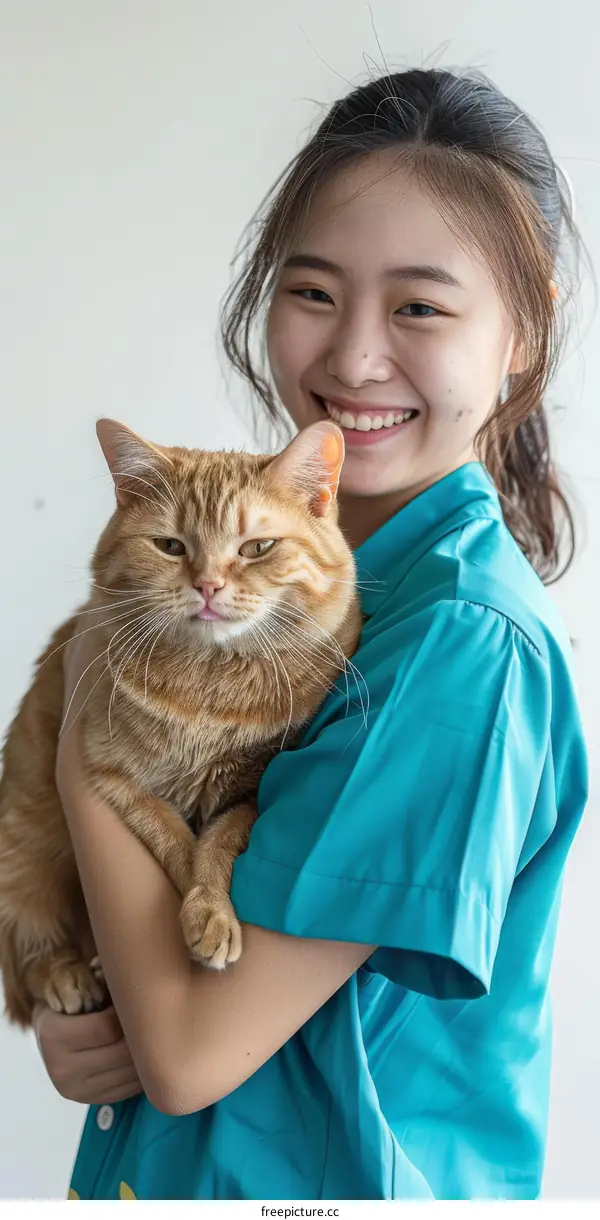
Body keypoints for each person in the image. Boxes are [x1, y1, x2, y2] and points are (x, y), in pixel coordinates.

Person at [34, 67, 588, 1200]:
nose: (352, 361)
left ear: (523, 327)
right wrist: (92, 1003)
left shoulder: (461, 647)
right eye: (315, 291)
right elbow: (165, 994)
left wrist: (91, 701)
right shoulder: (320, 590)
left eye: (421, 306)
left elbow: (191, 1052)